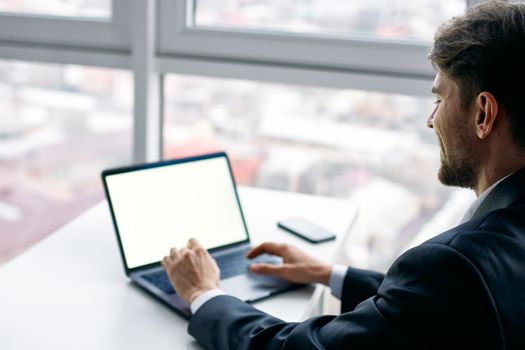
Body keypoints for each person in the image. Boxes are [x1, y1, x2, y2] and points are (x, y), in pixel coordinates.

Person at [161, 1, 525, 348]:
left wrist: (203, 293)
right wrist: (329, 274)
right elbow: (441, 307)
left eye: (440, 99)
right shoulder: (478, 266)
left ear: (483, 115)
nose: (431, 121)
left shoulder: (453, 265)